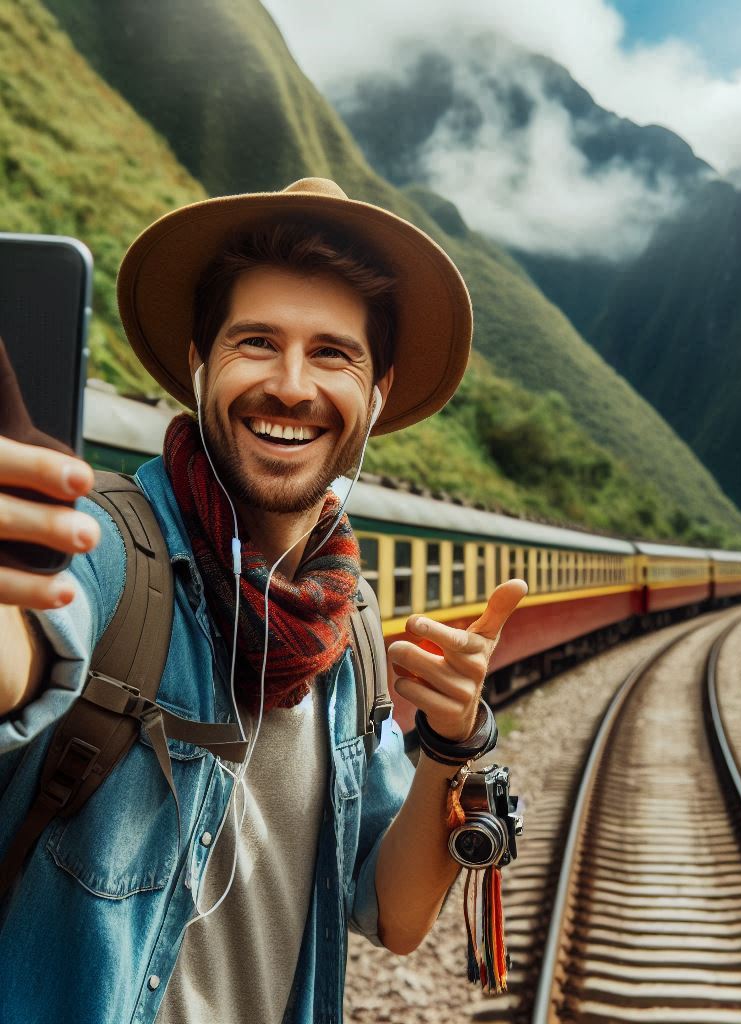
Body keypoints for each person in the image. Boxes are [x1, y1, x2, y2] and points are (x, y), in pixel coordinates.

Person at [0, 177, 527, 1023]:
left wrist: (451, 741)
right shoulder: (99, 554)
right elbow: (22, 644)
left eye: (332, 353)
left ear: (377, 393)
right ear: (200, 363)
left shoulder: (346, 624)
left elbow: (392, 915)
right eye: (256, 342)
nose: (291, 384)